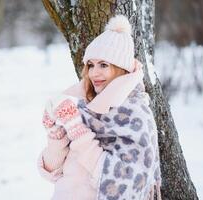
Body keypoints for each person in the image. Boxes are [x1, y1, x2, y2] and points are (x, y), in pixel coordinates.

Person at [37, 14, 162, 200]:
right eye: (91, 65)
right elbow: (52, 172)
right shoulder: (82, 105)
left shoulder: (135, 115)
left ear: (122, 69)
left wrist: (77, 131)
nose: (94, 73)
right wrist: (56, 138)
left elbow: (126, 184)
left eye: (103, 65)